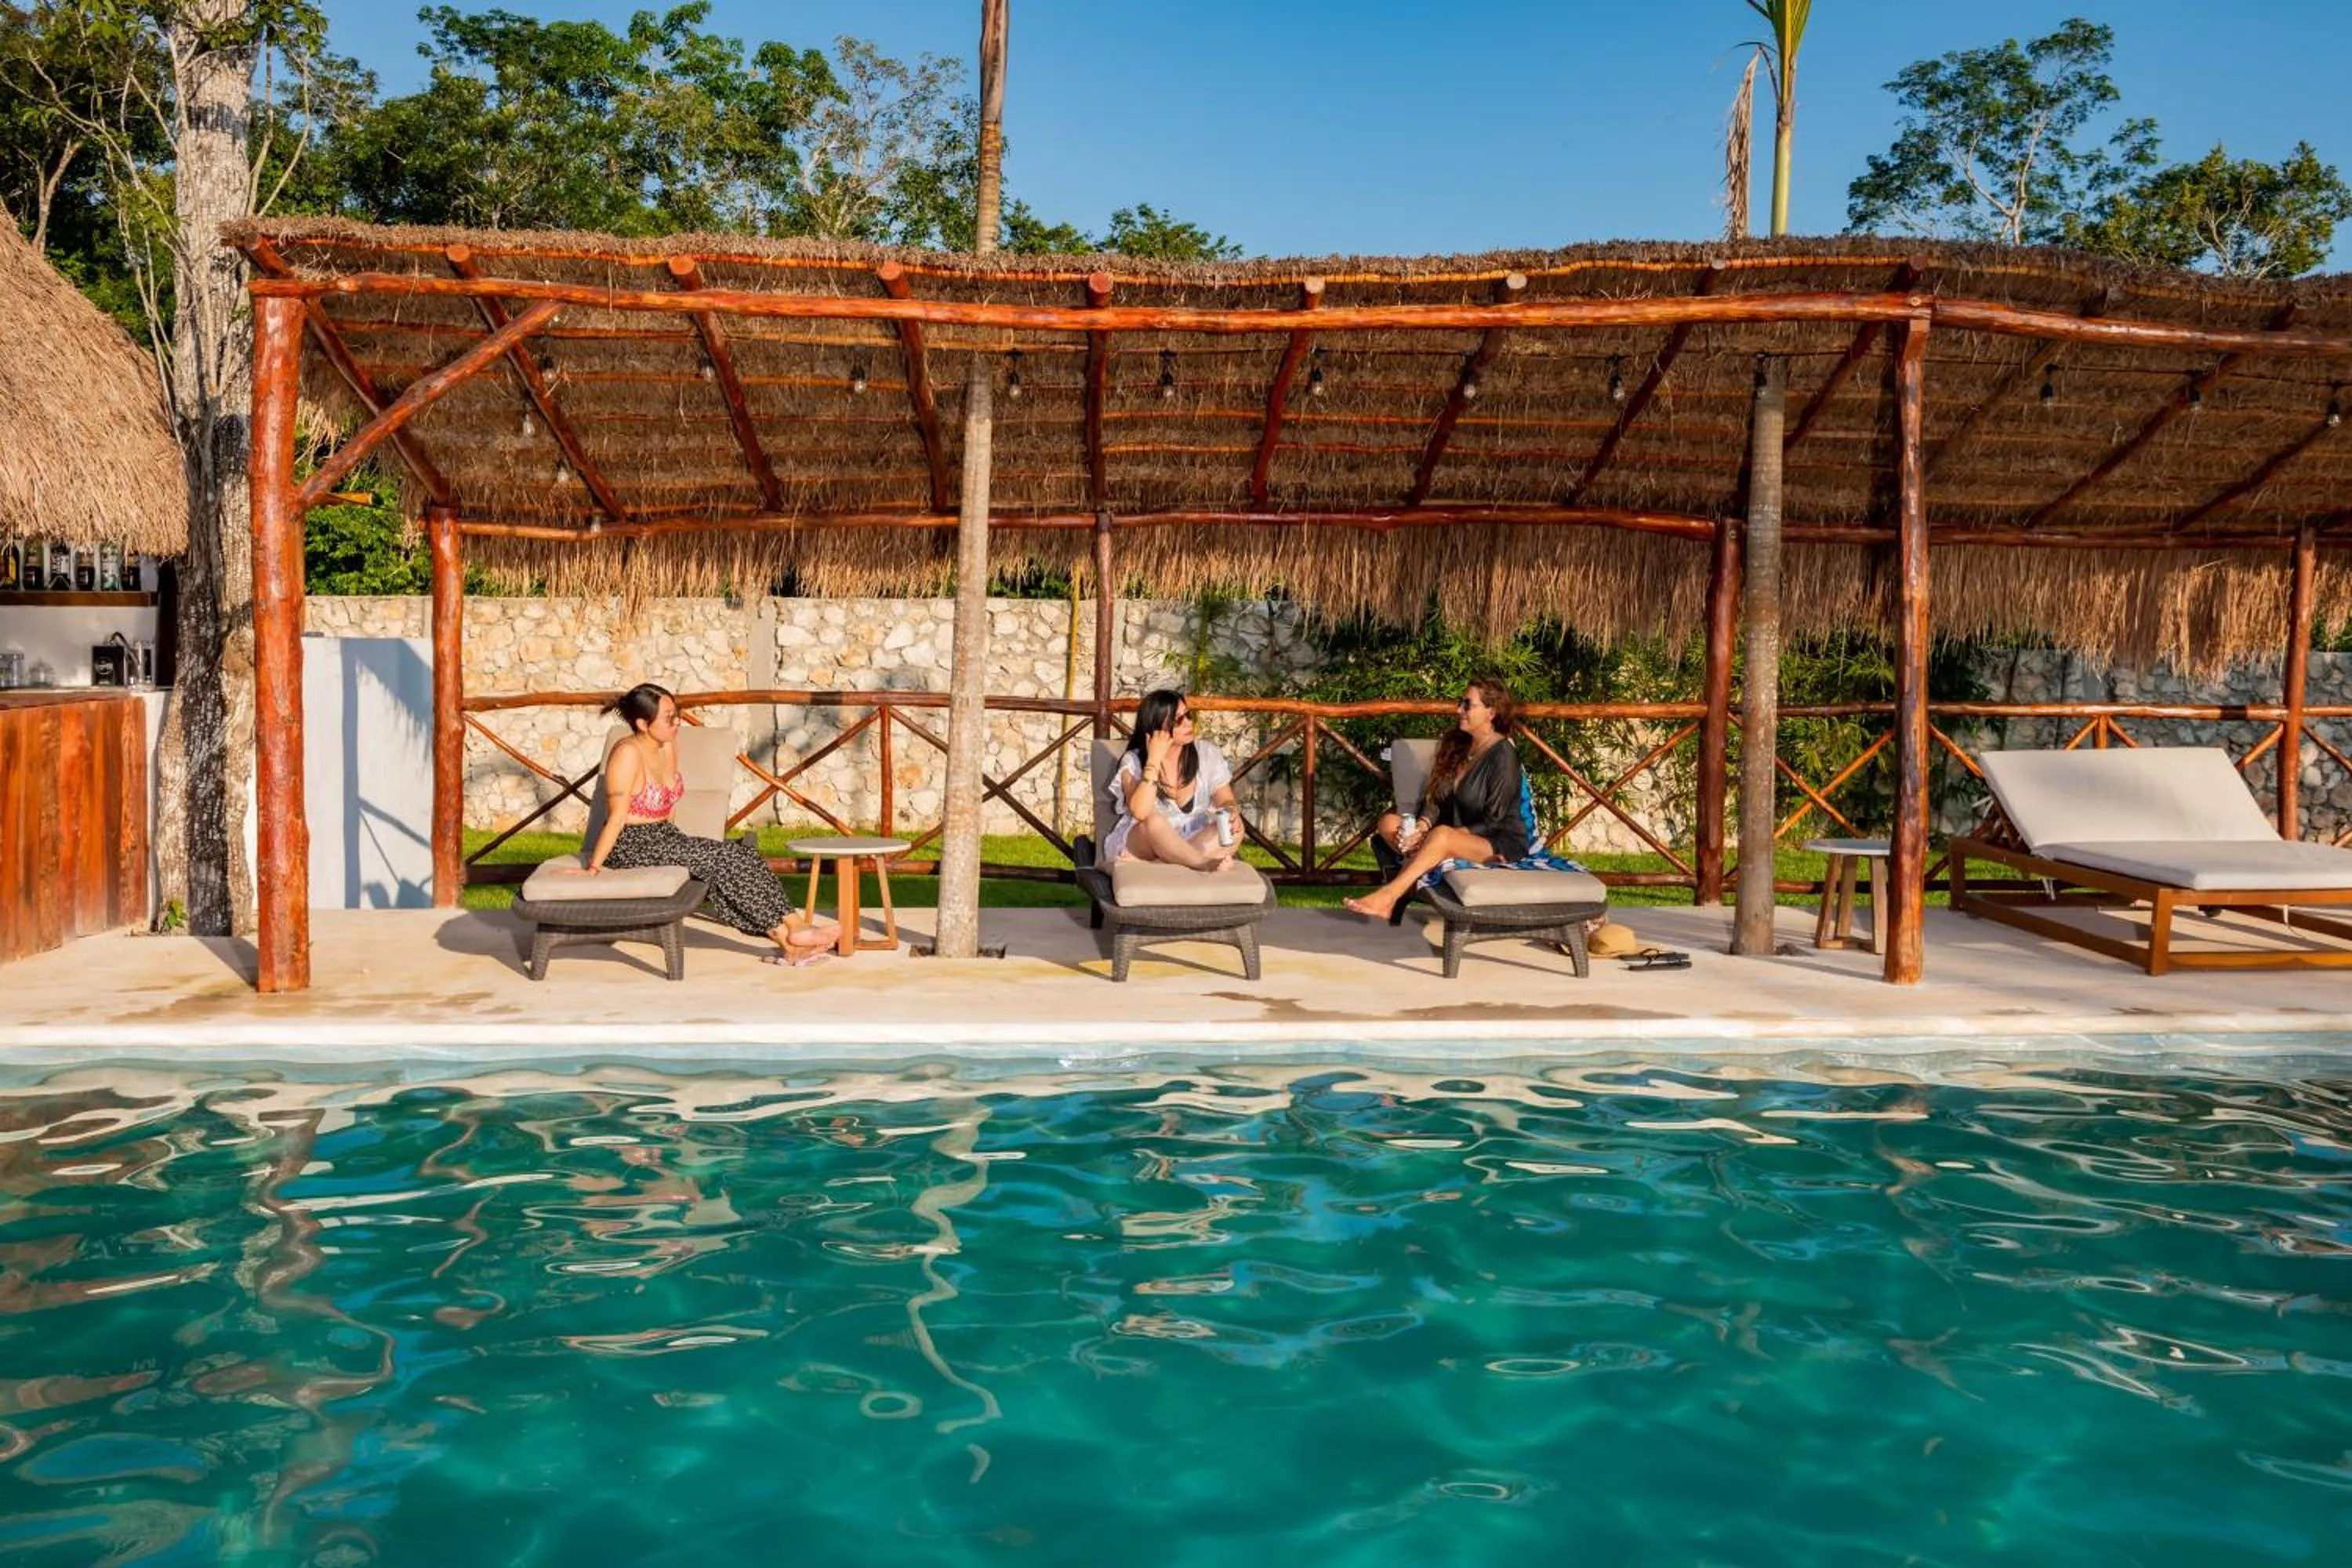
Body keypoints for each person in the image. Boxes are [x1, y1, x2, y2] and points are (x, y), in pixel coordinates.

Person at [563, 684, 838, 966]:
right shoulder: (626, 754)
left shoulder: (667, 745)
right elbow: (617, 818)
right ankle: (797, 931)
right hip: (630, 845)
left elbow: (667, 807)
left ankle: (790, 938)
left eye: (676, 714)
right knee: (727, 857)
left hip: (663, 837)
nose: (677, 722)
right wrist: (594, 868)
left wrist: (681, 844)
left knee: (741, 855)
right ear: (643, 724)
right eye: (668, 717)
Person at [1345, 674, 1581, 920]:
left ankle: (1390, 896)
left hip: (1498, 841)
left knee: (1442, 835)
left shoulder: (1503, 755)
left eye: (1468, 704)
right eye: (1461, 702)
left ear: (1491, 712)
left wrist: (1445, 836)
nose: (1460, 709)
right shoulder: (1457, 745)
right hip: (1451, 833)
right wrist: (1423, 826)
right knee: (1389, 822)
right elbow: (1436, 798)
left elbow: (1494, 820)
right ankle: (1428, 853)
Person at [1101, 689, 1244, 871]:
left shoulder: (1206, 753)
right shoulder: (1134, 762)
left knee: (1235, 828)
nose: (1188, 723)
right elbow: (1140, 812)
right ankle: (1203, 864)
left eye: (1188, 715)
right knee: (1154, 822)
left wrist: (1231, 810)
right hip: (1143, 842)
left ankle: (1162, 866)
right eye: (1178, 720)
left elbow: (1224, 799)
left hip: (1192, 837)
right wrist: (1154, 759)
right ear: (1156, 726)